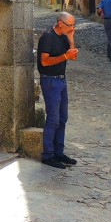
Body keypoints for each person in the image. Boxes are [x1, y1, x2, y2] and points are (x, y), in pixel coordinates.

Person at [37, 12, 79, 169]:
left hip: (61, 79)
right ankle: (48, 155)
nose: (72, 28)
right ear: (61, 23)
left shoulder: (64, 37)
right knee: (53, 119)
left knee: (63, 118)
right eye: (70, 25)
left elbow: (73, 56)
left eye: (74, 25)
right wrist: (64, 57)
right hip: (50, 80)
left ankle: (58, 151)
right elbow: (45, 61)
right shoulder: (47, 37)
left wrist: (71, 38)